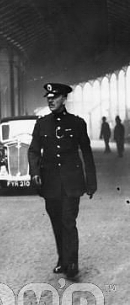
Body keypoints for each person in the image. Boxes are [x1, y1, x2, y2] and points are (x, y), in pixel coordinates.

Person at [28, 83, 97, 279]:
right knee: (57, 222)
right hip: (50, 184)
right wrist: (34, 172)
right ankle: (62, 259)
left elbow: (86, 153)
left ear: (64, 99)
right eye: (48, 97)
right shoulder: (42, 124)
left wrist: (91, 182)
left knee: (68, 221)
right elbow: (33, 150)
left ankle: (72, 263)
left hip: (71, 183)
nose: (50, 100)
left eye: (55, 97)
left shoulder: (77, 123)